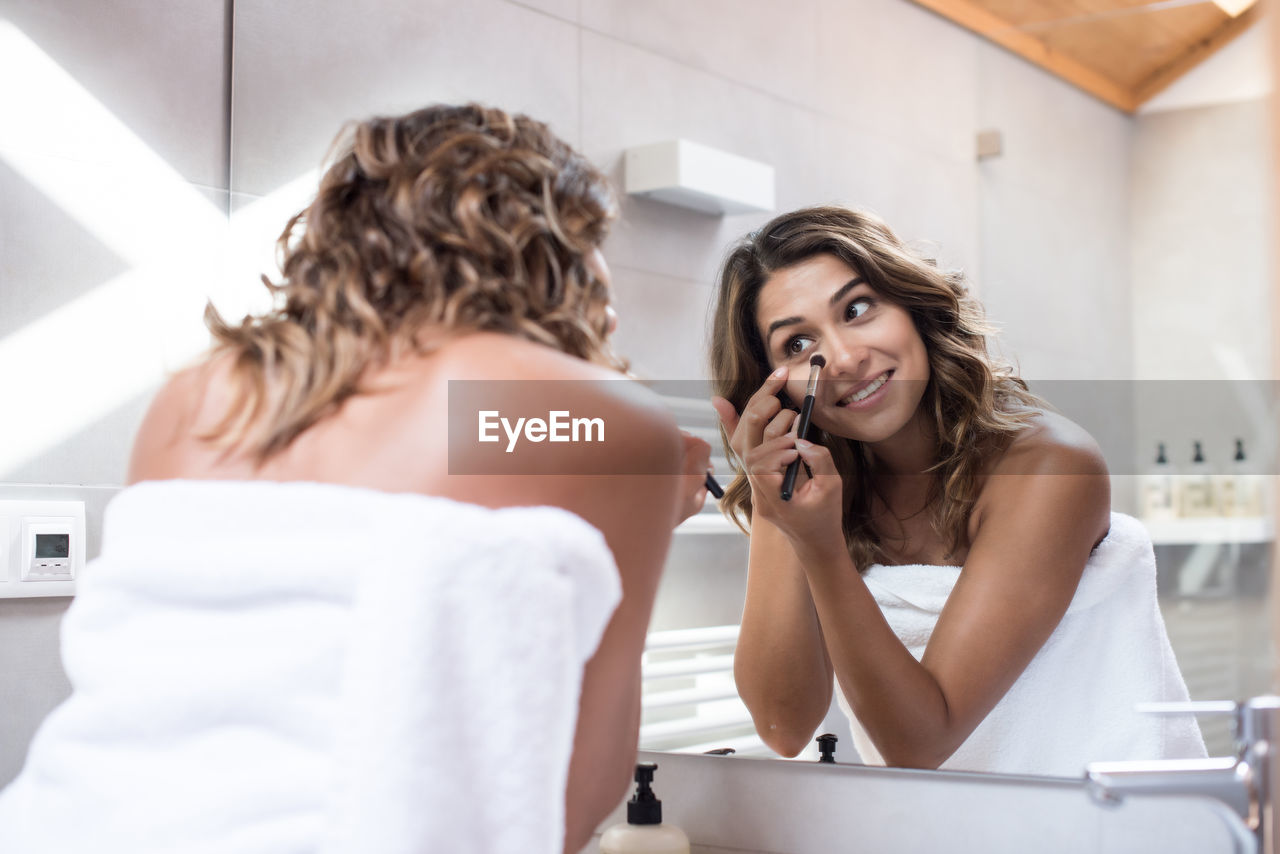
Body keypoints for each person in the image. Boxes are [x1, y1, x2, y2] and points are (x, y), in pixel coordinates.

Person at [0, 104, 710, 854]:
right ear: (547, 243)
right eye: (593, 243)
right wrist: (648, 502)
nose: (613, 300)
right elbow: (571, 802)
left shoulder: (194, 398)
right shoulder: (591, 416)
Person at [709, 205, 1204, 776]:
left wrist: (820, 548)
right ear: (771, 390)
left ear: (913, 306)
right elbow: (783, 727)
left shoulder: (1048, 467)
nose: (843, 359)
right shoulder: (824, 494)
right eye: (797, 345)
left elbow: (919, 744)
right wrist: (774, 503)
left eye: (858, 308)